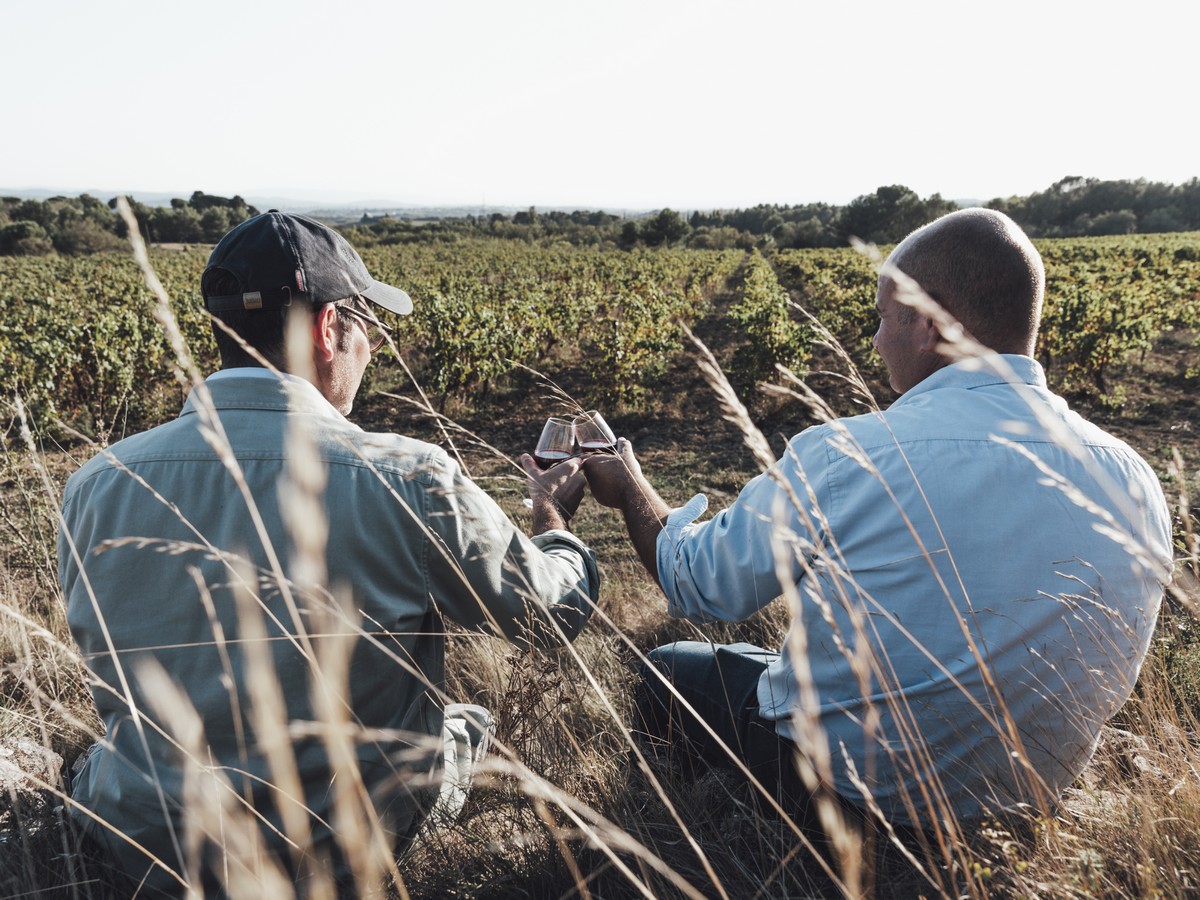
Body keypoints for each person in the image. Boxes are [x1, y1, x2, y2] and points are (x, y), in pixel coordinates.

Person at [584, 208, 1173, 844]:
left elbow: (696, 583)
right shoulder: (1135, 479)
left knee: (671, 668)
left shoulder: (848, 458)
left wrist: (630, 487)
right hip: (1023, 810)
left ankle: (692, 844)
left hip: (848, 799)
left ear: (927, 324)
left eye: (883, 318)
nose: (873, 340)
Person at [58, 211, 600, 896]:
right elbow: (548, 615)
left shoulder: (95, 483)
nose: (372, 347)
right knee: (474, 727)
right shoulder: (406, 478)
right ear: (326, 329)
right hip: (336, 850)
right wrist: (554, 527)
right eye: (368, 327)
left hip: (145, 840)